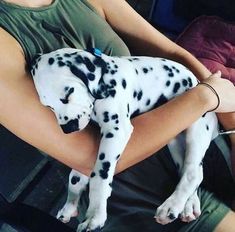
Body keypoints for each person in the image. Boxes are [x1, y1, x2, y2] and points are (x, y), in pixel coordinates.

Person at [0, 0, 235, 231]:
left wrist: (231, 120)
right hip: (134, 190)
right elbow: (89, 158)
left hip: (194, 132)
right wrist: (204, 97)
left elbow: (171, 53)